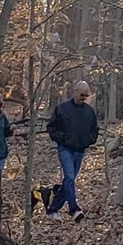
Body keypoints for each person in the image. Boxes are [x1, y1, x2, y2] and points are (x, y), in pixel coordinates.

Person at [45, 80, 99, 220]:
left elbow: (95, 129)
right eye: (81, 93)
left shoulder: (89, 111)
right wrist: (64, 139)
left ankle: (53, 210)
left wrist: (89, 140)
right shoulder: (62, 109)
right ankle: (74, 210)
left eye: (86, 94)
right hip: (65, 149)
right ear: (75, 92)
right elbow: (52, 127)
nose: (84, 97)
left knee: (69, 181)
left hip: (80, 150)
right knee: (69, 177)